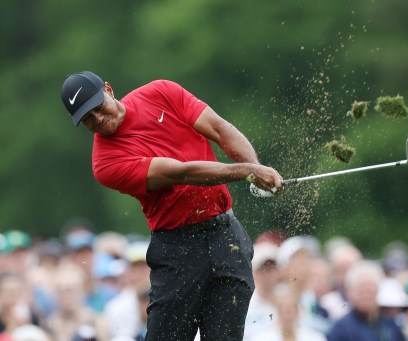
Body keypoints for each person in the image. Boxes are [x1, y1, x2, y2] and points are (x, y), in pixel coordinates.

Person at [60, 71, 284, 340]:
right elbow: (180, 173)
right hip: (178, 250)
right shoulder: (105, 164)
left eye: (98, 108)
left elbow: (219, 129)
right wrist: (247, 171)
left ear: (108, 89)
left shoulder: (161, 92)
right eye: (87, 119)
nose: (98, 120)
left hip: (227, 237)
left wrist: (257, 170)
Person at [327, 260, 405, 341]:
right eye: (361, 290)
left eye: (370, 289)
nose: (366, 295)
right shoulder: (340, 329)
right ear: (350, 292)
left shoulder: (390, 326)